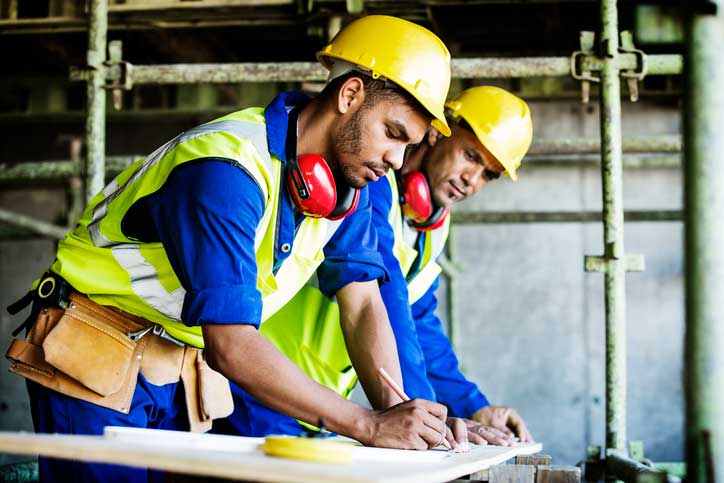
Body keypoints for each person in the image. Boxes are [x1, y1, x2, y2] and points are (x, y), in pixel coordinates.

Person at [5, 15, 463, 482]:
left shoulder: (349, 190)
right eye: (393, 133)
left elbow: (364, 303)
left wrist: (410, 423)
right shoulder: (225, 169)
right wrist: (367, 424)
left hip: (178, 371)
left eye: (409, 146)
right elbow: (232, 344)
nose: (397, 162)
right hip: (96, 351)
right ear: (349, 95)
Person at [217, 86, 535, 446]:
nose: (471, 179)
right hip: (262, 380)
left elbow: (419, 320)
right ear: (437, 131)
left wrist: (473, 407)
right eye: (471, 156)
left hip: (320, 403)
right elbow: (387, 300)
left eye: (488, 175)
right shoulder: (370, 186)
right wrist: (424, 416)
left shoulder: (432, 225)